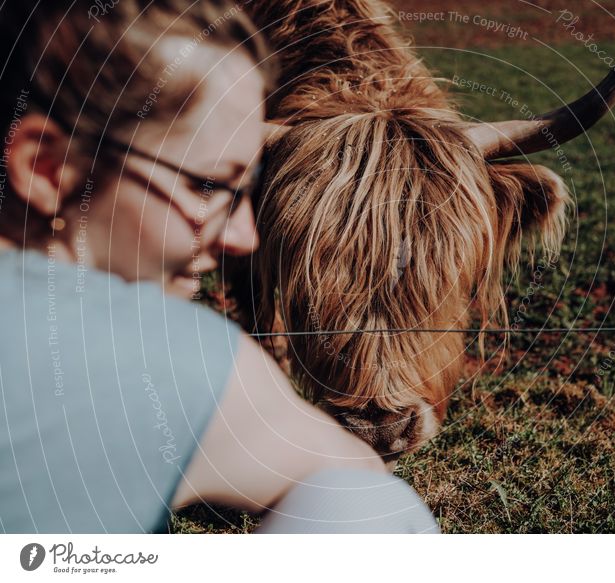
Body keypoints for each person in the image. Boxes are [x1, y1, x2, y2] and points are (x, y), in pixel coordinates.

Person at [0, 0, 438, 534]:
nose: (243, 235)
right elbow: (368, 495)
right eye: (207, 185)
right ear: (50, 168)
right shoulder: (169, 366)